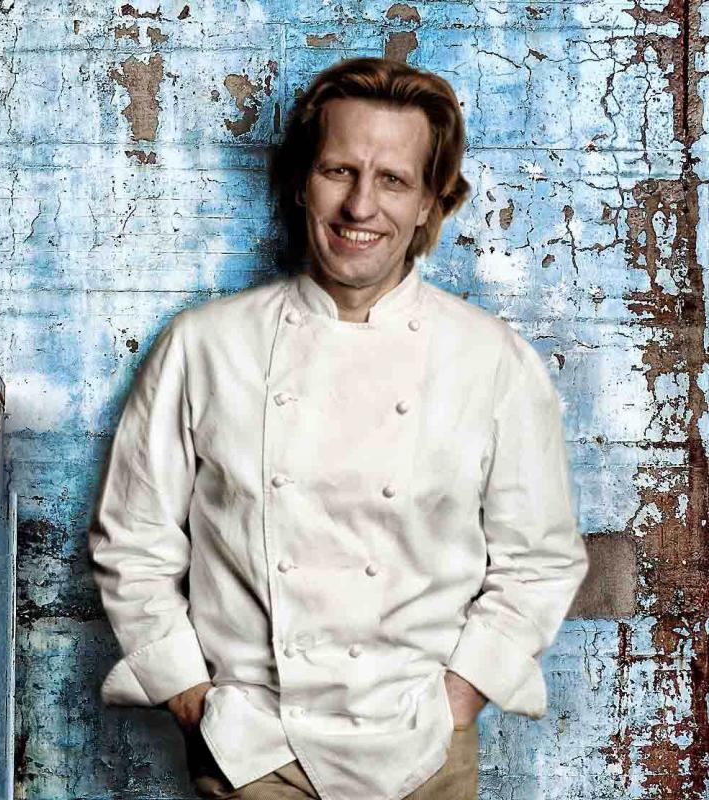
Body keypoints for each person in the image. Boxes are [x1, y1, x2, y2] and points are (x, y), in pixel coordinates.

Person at [88, 56, 589, 800]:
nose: (361, 206)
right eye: (338, 171)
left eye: (393, 180)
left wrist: (459, 698)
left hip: (424, 752)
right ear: (301, 182)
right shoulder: (205, 345)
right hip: (251, 750)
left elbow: (539, 559)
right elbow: (134, 541)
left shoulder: (492, 361)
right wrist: (191, 697)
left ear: (430, 202)